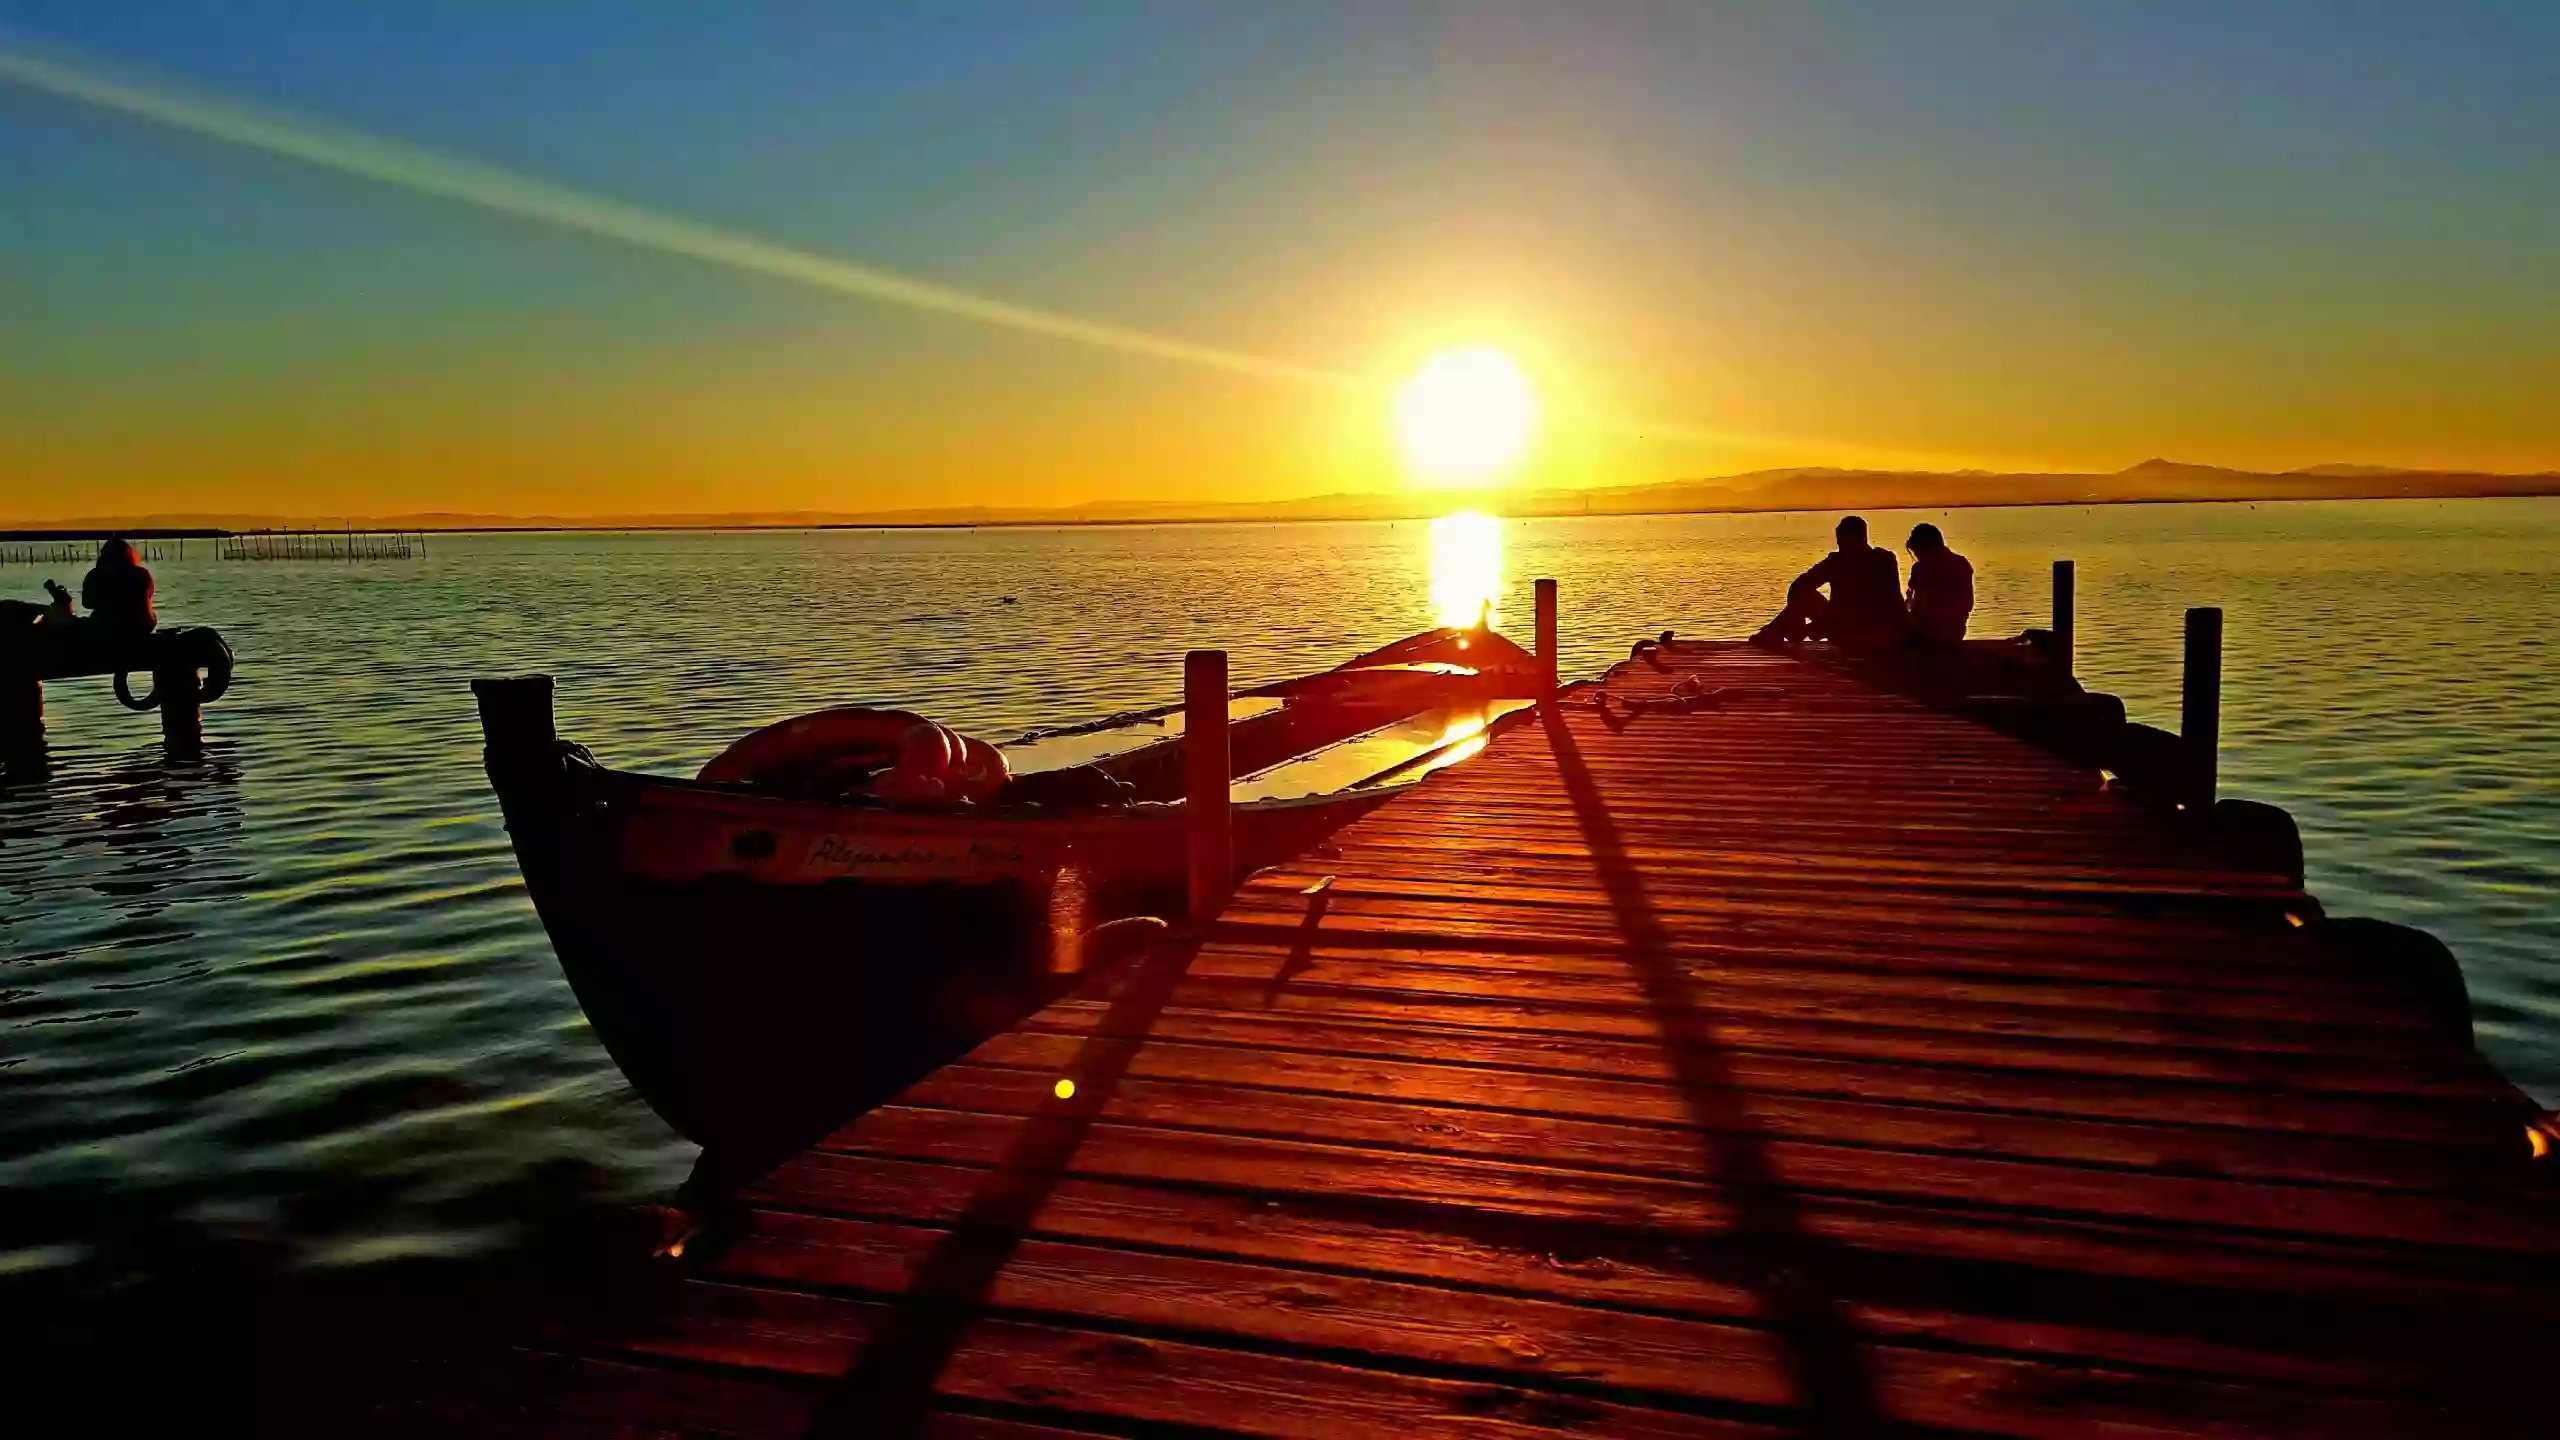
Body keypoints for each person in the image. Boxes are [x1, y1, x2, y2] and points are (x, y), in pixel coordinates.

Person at [1753, 516, 1905, 650]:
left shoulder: (1839, 563)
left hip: (1854, 634)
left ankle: (1775, 631)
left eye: (1840, 541)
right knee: (1805, 596)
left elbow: (1799, 587)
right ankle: (1779, 630)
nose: (1839, 546)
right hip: (1883, 634)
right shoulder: (1886, 559)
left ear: (1853, 539)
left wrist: (1809, 625)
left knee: (1803, 596)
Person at [1903, 522, 1974, 645]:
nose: (1916, 556)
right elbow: (1968, 604)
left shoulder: (1921, 568)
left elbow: (1919, 608)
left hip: (1929, 633)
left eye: (1915, 551)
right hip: (1957, 631)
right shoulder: (1961, 563)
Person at [80, 538, 157, 640]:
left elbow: (86, 603)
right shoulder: (142, 574)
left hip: (107, 629)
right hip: (142, 627)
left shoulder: (97, 575)